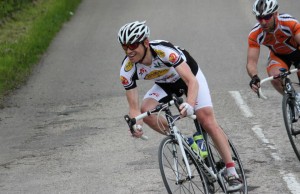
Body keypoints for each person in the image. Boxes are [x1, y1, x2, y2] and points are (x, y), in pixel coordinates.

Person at [118, 20, 243, 191]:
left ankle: (232, 172)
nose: (129, 51)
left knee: (205, 118)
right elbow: (134, 107)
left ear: (145, 42)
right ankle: (184, 141)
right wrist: (136, 125)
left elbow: (191, 81)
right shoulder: (127, 69)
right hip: (165, 84)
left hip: (190, 77)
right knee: (145, 110)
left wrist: (190, 104)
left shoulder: (164, 51)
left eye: (133, 45)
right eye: (124, 46)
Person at [247, 0, 300, 95]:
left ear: (275, 14)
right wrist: (254, 77)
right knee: (275, 78)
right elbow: (251, 62)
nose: (263, 22)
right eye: (259, 18)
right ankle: (292, 100)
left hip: (298, 53)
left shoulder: (289, 23)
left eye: (267, 17)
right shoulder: (255, 34)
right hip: (279, 56)